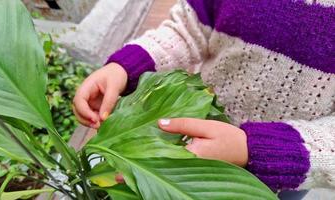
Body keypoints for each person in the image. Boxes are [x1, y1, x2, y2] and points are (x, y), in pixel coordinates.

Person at [73, 0, 335, 199]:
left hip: (285, 169)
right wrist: (127, 65)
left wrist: (259, 149)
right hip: (193, 134)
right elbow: (190, 28)